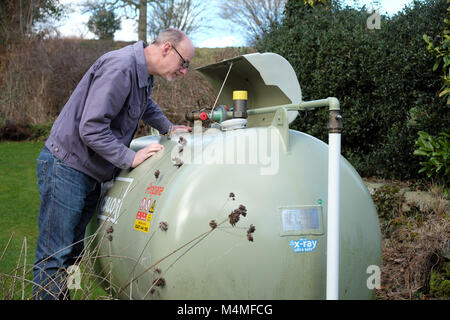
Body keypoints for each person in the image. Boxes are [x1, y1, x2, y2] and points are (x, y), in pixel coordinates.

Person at [32, 28, 194, 300]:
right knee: (55, 255)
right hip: (66, 168)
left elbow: (144, 106)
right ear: (166, 48)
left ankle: (70, 296)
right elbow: (91, 128)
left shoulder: (142, 74)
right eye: (184, 63)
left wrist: (168, 128)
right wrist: (130, 158)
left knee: (73, 254)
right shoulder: (121, 68)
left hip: (86, 173)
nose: (184, 71)